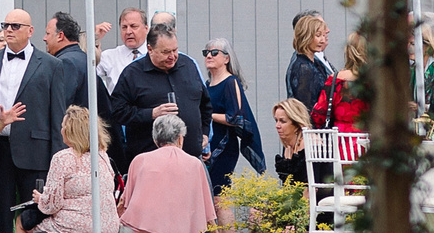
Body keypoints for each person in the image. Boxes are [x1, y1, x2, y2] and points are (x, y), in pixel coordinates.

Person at [0, 8, 76, 233]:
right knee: (1, 214)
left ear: (30, 31)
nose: (9, 30)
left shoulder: (51, 64)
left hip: (36, 149)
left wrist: (58, 158)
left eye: (16, 26)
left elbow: (57, 114)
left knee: (35, 215)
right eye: (6, 25)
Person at [117, 113, 220, 233]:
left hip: (144, 232)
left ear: (156, 139)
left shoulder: (140, 160)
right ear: (180, 138)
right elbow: (208, 210)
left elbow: (125, 202)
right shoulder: (195, 163)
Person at [28, 106, 115, 233]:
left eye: (63, 126)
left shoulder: (63, 158)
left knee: (27, 226)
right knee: (47, 230)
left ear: (70, 131)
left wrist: (39, 198)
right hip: (108, 227)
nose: (60, 130)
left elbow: (52, 205)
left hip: (81, 228)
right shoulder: (103, 157)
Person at [105, 27, 210, 174]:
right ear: (150, 49)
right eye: (166, 52)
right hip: (151, 166)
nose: (172, 56)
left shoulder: (188, 66)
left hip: (191, 160)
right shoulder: (132, 74)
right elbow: (117, 112)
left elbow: (205, 105)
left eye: (175, 50)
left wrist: (204, 133)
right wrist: (151, 114)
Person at [200, 39, 267, 192]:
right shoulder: (207, 85)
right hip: (207, 147)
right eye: (206, 53)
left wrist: (208, 116)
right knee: (208, 199)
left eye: (214, 52)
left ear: (226, 58)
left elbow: (235, 118)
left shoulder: (231, 82)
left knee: (219, 198)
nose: (209, 56)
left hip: (224, 148)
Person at [314, 32, 369, 131]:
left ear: (348, 52)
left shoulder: (335, 79)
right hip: (371, 142)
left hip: (341, 142)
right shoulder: (376, 81)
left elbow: (318, 117)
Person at [286, 13, 333, 117]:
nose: (322, 40)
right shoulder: (304, 67)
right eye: (317, 35)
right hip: (311, 129)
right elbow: (305, 107)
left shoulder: (315, 64)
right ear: (306, 37)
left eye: (323, 35)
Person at [96, 7, 151, 91]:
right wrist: (95, 40)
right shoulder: (109, 56)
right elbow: (86, 73)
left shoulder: (154, 54)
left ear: (146, 29)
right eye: (124, 27)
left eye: (133, 26)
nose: (128, 32)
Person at [269, 97, 313, 183]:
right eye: (276, 120)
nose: (277, 126)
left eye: (282, 121)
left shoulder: (309, 144)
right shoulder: (288, 148)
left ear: (296, 124)